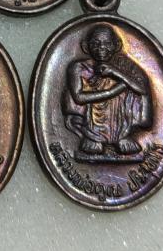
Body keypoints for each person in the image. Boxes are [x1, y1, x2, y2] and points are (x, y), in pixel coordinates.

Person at [64, 24, 152, 156]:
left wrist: (116, 73)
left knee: (133, 84)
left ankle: (122, 136)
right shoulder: (78, 67)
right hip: (89, 117)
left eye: (107, 44)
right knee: (107, 83)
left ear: (116, 45)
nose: (101, 48)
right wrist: (114, 90)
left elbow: (142, 89)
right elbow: (79, 98)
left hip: (122, 118)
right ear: (86, 47)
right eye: (96, 44)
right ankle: (94, 137)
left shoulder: (125, 65)